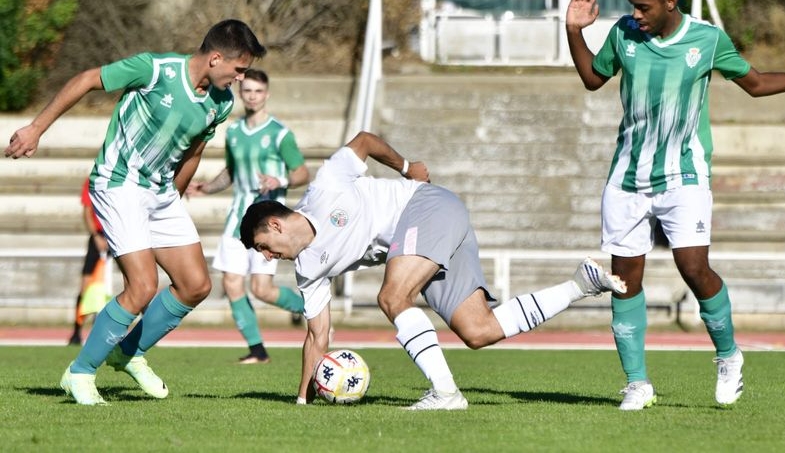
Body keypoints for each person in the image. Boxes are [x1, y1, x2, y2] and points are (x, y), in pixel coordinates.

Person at [238, 131, 627, 410]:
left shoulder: (325, 187)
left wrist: (407, 167)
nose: (268, 258)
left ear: (275, 225)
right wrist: (303, 400)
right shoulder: (308, 270)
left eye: (264, 248)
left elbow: (365, 142)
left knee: (392, 297)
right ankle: (579, 285)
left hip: (425, 205)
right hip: (432, 235)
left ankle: (445, 393)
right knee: (478, 330)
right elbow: (317, 336)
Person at [565, 0, 785, 410]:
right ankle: (637, 383)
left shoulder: (707, 40)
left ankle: (729, 356)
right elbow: (594, 78)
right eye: (632, 5)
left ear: (670, 1)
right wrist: (575, 31)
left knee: (693, 269)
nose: (635, 14)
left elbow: (754, 83)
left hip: (684, 176)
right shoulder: (624, 34)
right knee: (623, 282)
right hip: (627, 178)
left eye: (644, 7)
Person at [4, 18, 266, 405]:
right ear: (215, 58)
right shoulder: (155, 69)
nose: (242, 79)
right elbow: (87, 79)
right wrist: (36, 128)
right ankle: (79, 372)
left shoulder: (221, 103)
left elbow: (193, 151)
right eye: (238, 69)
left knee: (196, 285)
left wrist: (171, 200)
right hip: (118, 182)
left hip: (160, 192)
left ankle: (127, 352)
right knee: (141, 287)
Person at [186, 68, 309, 364]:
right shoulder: (235, 132)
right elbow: (230, 172)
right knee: (231, 283)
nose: (252, 96)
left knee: (262, 290)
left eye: (258, 91)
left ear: (266, 94)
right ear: (241, 93)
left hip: (268, 224)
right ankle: (258, 351)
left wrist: (279, 181)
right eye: (248, 90)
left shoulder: (280, 134)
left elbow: (302, 173)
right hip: (236, 222)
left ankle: (308, 310)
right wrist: (206, 187)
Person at [68, 177, 109, 346]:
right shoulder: (93, 180)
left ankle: (145, 331)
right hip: (98, 236)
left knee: (137, 281)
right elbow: (87, 211)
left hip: (120, 234)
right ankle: (77, 331)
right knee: (86, 285)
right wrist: (96, 236)